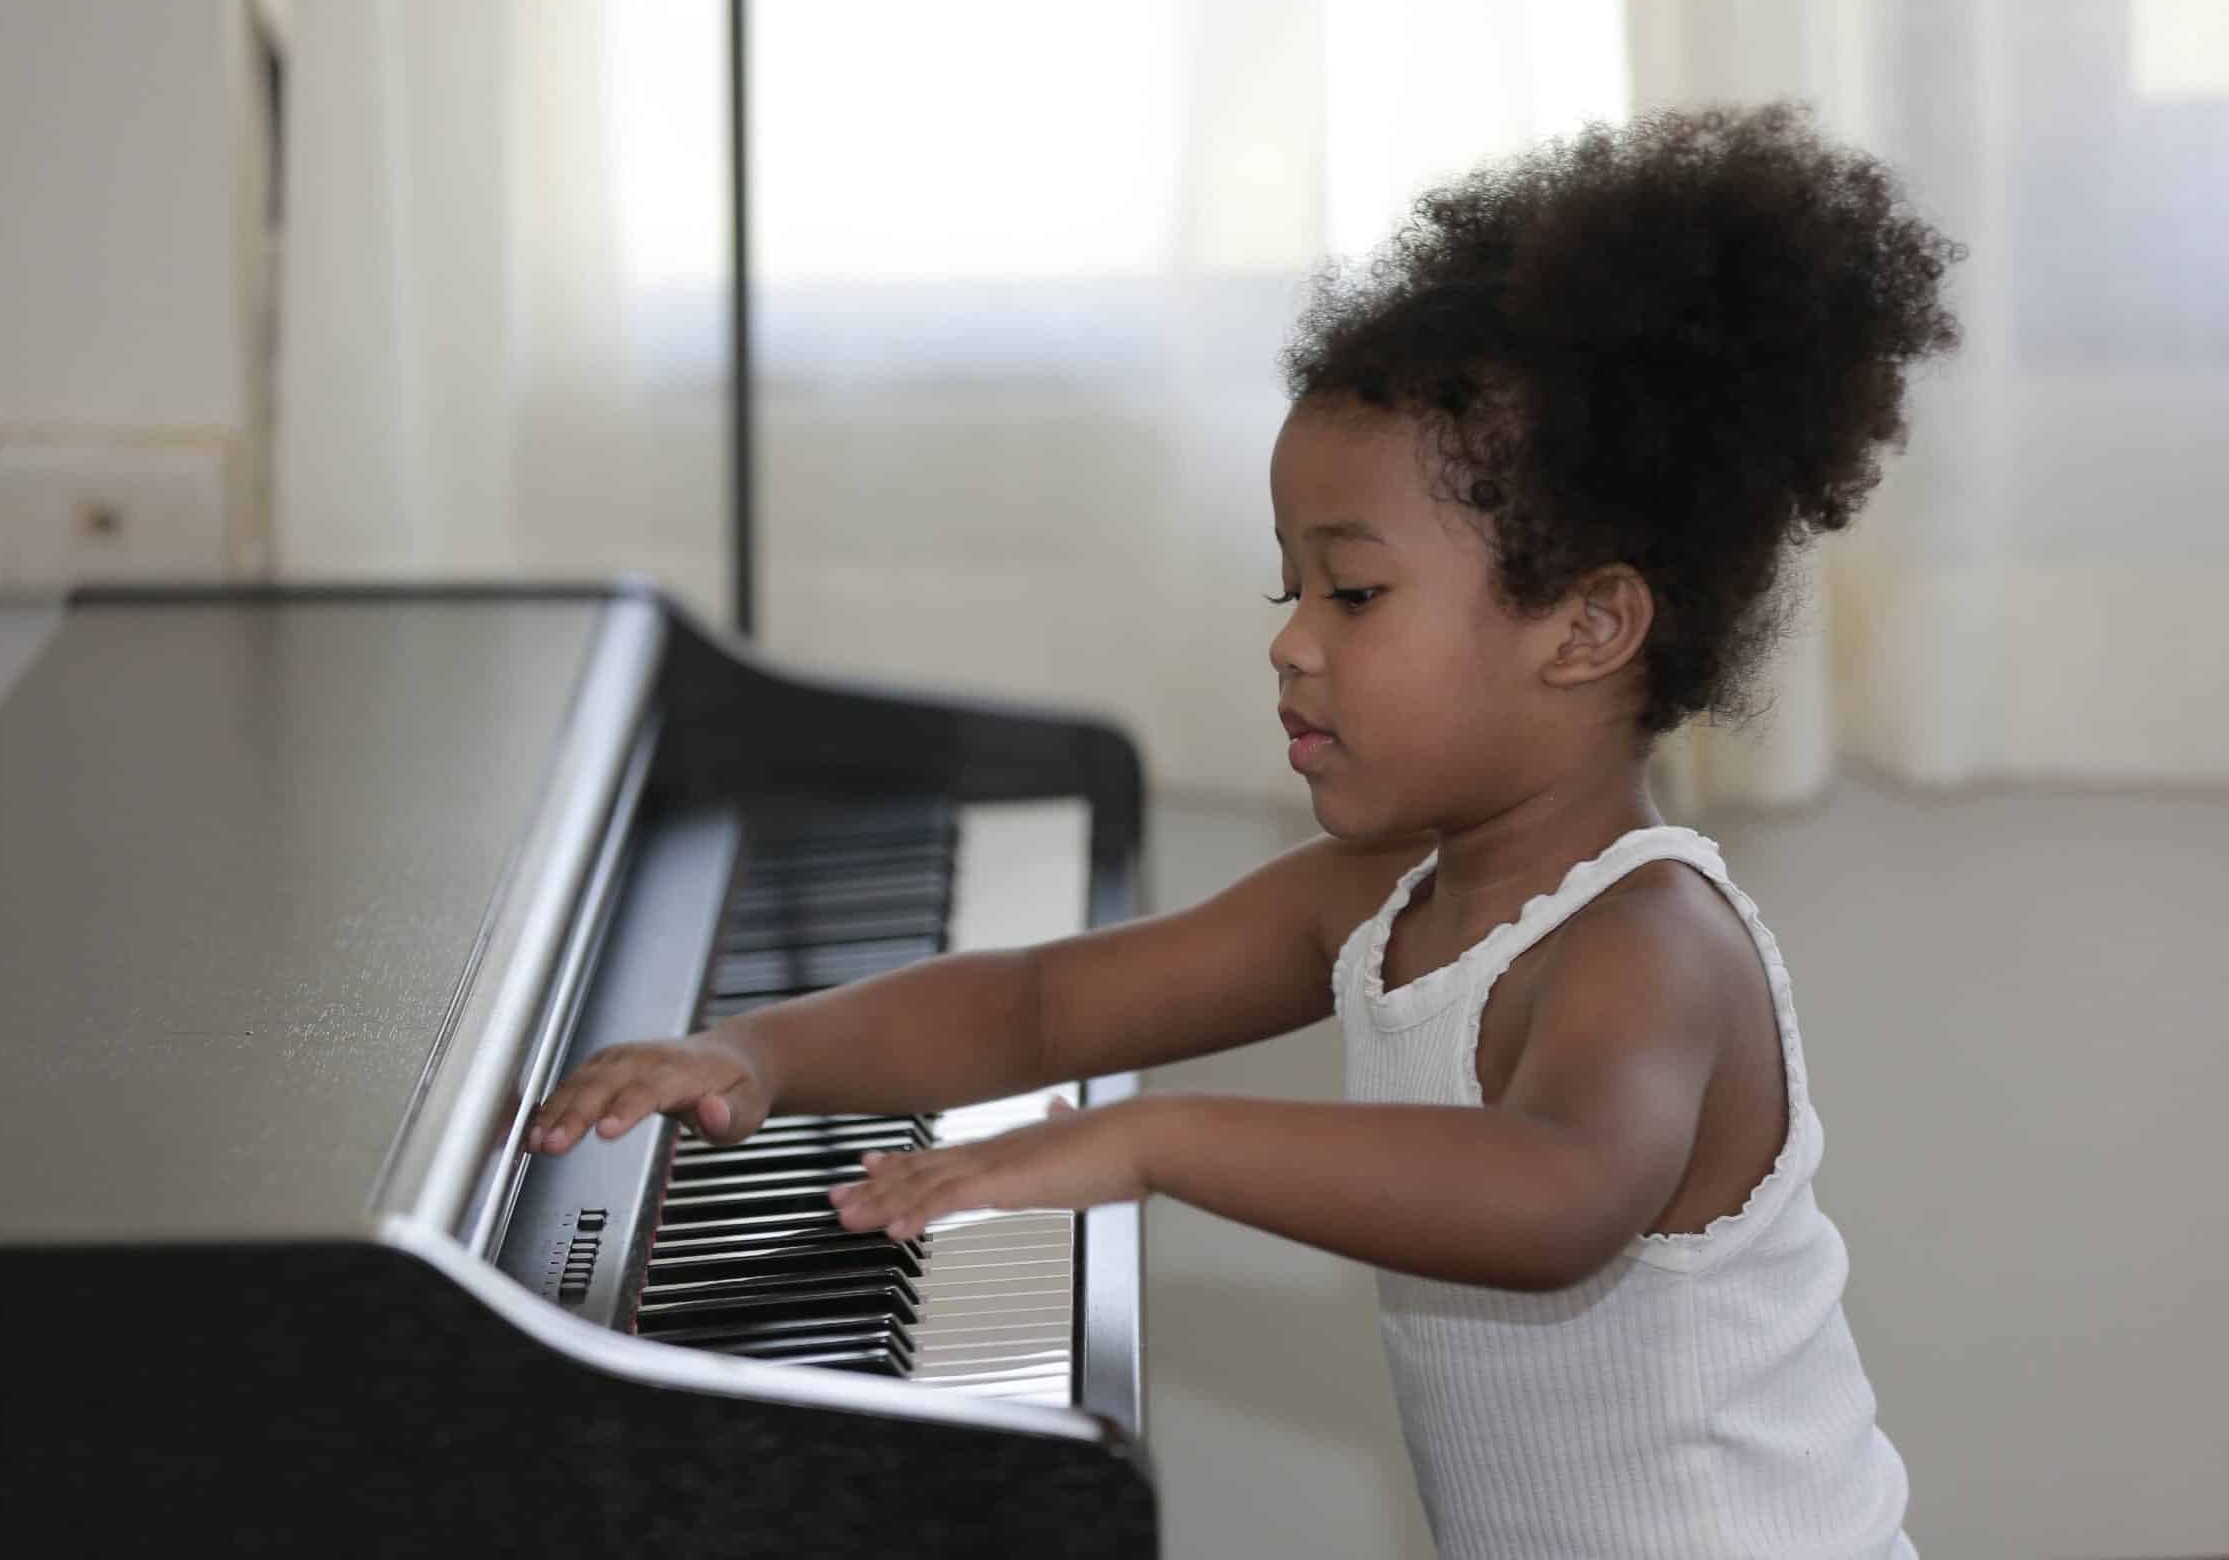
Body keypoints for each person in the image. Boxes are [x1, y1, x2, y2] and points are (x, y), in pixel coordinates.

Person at [528, 101, 1958, 1559]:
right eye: (1289, 591)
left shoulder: (1650, 945)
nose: (1291, 644)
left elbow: (1558, 1199)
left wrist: (1157, 1139)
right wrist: (765, 1052)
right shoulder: (1379, 896)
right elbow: (1040, 1004)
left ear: (1587, 626)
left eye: (1353, 594)